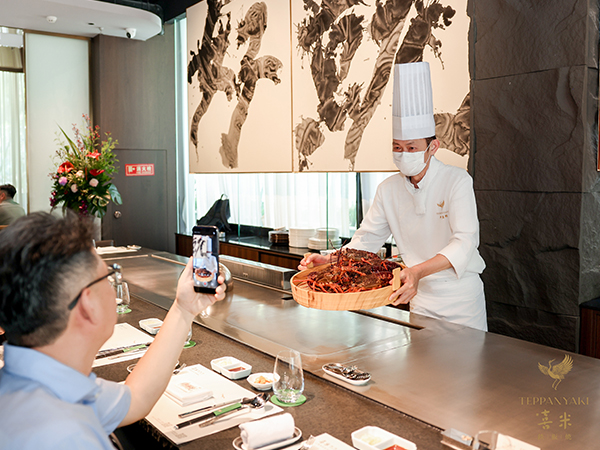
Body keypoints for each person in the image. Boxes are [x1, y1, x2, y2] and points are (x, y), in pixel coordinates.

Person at [0, 212, 227, 449]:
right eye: (108, 277)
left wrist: (183, 310)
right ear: (88, 304)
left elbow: (136, 398)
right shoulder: (69, 438)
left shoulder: (39, 381)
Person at [300, 62, 487, 331]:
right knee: (423, 358)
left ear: (433, 147)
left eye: (411, 148)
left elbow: (465, 243)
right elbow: (365, 241)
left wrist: (417, 271)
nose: (403, 154)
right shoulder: (388, 189)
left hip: (460, 299)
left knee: (466, 358)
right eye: (397, 147)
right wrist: (330, 259)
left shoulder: (456, 180)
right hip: (418, 296)